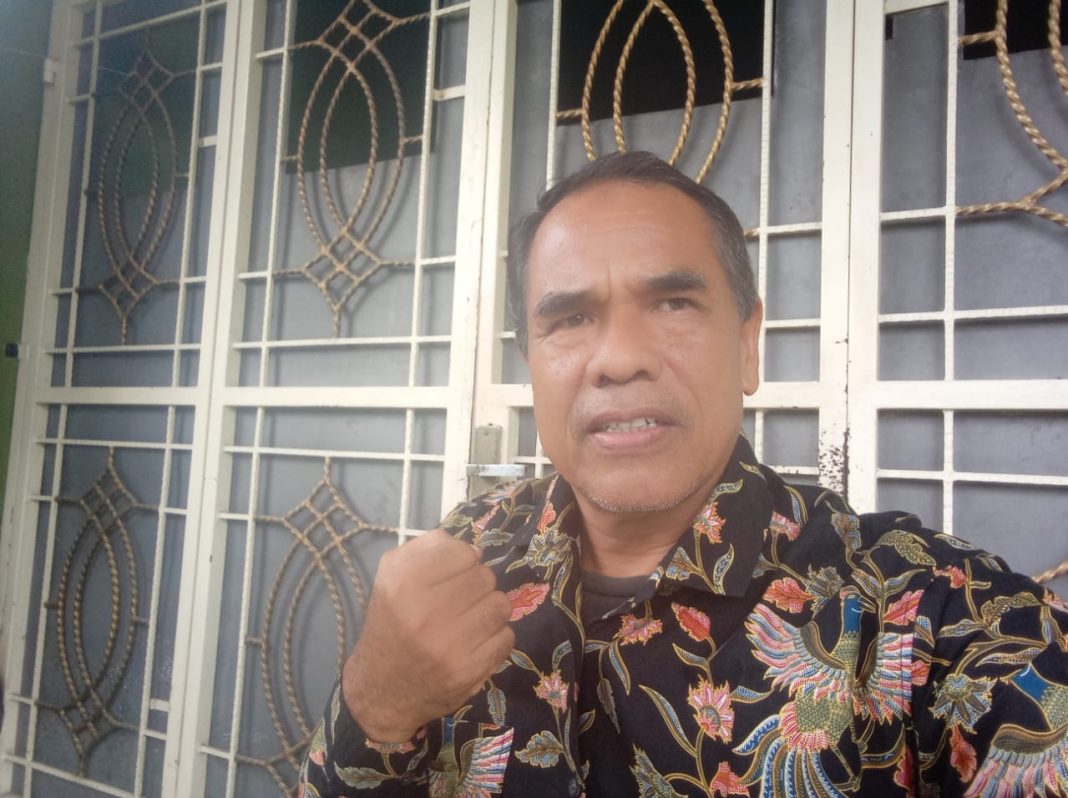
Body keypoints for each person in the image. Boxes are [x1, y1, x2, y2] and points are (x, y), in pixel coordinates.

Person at [300, 152, 1068, 797]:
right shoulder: (470, 550)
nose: (618, 358)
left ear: (749, 344)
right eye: (570, 319)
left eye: (672, 302)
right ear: (530, 362)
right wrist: (373, 705)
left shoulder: (918, 613)